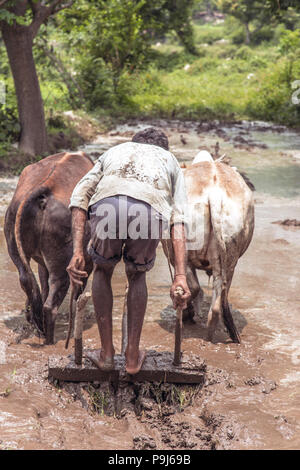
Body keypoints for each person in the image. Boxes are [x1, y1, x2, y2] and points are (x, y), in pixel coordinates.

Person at [67, 127, 191, 375]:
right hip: (148, 209)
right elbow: (179, 219)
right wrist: (180, 276)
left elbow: (80, 196)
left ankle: (107, 354)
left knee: (102, 271)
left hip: (107, 205)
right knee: (137, 274)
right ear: (162, 149)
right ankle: (133, 356)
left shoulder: (115, 150)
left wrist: (77, 251)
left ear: (133, 143)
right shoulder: (169, 160)